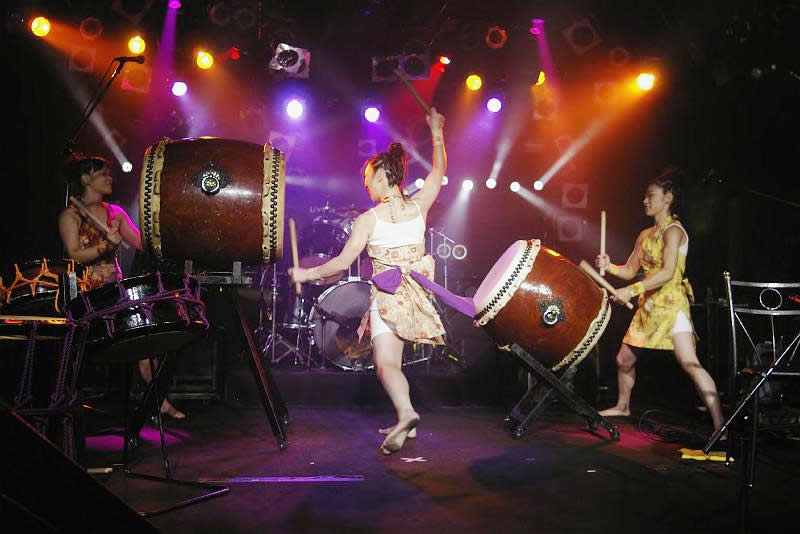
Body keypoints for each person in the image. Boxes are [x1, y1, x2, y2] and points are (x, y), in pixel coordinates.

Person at [290, 108, 447, 455]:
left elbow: (341, 264)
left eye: (368, 178)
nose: (365, 184)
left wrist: (305, 273)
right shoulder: (419, 206)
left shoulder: (368, 219)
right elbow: (438, 172)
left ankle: (406, 413)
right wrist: (437, 132)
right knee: (392, 361)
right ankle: (405, 418)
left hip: (389, 297)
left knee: (385, 364)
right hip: (416, 295)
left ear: (382, 177)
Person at [58, 154, 185, 419]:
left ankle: (157, 402)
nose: (109, 178)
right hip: (87, 296)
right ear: (85, 179)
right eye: (103, 173)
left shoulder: (115, 212)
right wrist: (105, 245)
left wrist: (165, 222)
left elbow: (141, 243)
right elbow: (74, 254)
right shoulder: (71, 214)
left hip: (114, 292)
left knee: (146, 341)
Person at [595, 173, 724, 433]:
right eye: (645, 196)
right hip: (648, 305)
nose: (645, 201)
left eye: (651, 196)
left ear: (668, 198)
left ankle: (721, 423)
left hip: (671, 305)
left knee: (689, 362)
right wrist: (610, 267)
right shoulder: (645, 235)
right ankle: (623, 406)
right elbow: (630, 270)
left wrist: (631, 290)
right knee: (624, 360)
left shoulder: (674, 231)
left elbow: (666, 273)